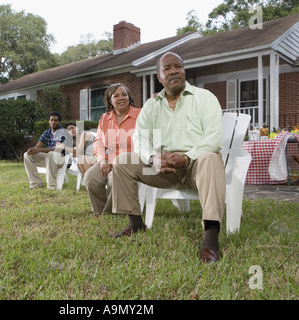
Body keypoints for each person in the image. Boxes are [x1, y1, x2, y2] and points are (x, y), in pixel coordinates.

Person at [111, 52, 225, 264]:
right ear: (159, 77)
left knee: (210, 157)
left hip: (196, 167)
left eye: (178, 66)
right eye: (167, 68)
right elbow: (141, 138)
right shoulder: (152, 106)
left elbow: (214, 137)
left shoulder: (205, 98)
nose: (174, 71)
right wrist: (153, 157)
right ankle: (136, 225)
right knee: (122, 162)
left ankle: (211, 238)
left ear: (184, 70)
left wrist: (188, 157)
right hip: (161, 170)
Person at [84, 83, 141, 216]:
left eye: (124, 94)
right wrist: (103, 160)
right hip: (110, 159)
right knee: (90, 179)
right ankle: (102, 210)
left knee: (113, 180)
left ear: (129, 97)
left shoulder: (140, 114)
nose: (121, 98)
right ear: (110, 100)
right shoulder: (105, 118)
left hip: (130, 161)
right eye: (116, 95)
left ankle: (110, 214)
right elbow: (98, 141)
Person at [23, 112, 68, 190]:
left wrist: (39, 150)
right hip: (49, 159)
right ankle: (36, 183)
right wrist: (33, 150)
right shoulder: (47, 132)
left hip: (61, 159)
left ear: (59, 122)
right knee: (27, 155)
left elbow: (58, 149)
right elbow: (37, 146)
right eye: (51, 120)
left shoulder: (63, 132)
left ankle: (51, 186)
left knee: (51, 154)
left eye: (56, 120)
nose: (53, 122)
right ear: (49, 121)